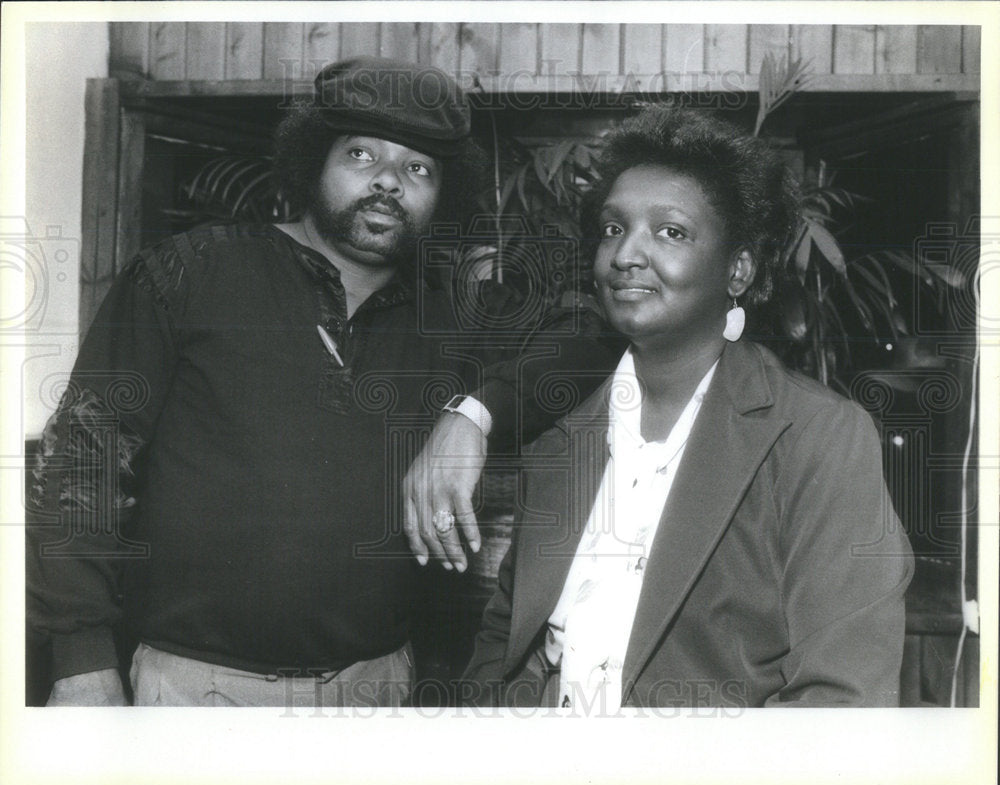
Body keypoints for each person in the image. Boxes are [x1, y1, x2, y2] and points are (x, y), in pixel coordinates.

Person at [27, 56, 498, 707]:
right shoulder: (189, 272)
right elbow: (83, 457)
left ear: (444, 192)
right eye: (362, 155)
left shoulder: (450, 314)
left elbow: (581, 328)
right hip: (192, 687)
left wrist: (474, 412)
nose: (389, 181)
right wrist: (78, 660)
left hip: (377, 687)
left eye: (417, 167)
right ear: (312, 161)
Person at [456, 105, 914, 709]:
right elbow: (506, 632)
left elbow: (842, 696)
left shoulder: (816, 436)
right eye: (614, 229)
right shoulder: (565, 427)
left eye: (670, 232)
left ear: (739, 270)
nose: (625, 256)